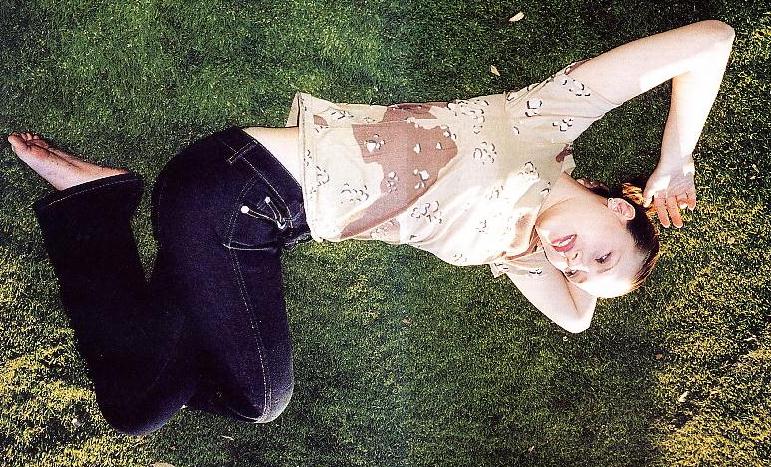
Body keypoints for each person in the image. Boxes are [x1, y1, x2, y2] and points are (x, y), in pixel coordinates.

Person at [8, 19, 735, 435]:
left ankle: (98, 201)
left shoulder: (517, 249)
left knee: (138, 407)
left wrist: (593, 272)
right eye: (601, 252)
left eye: (579, 271)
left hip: (263, 230)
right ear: (618, 205)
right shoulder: (542, 123)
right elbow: (710, 40)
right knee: (261, 399)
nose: (573, 264)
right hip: (236, 190)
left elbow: (577, 316)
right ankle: (111, 226)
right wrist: (674, 163)